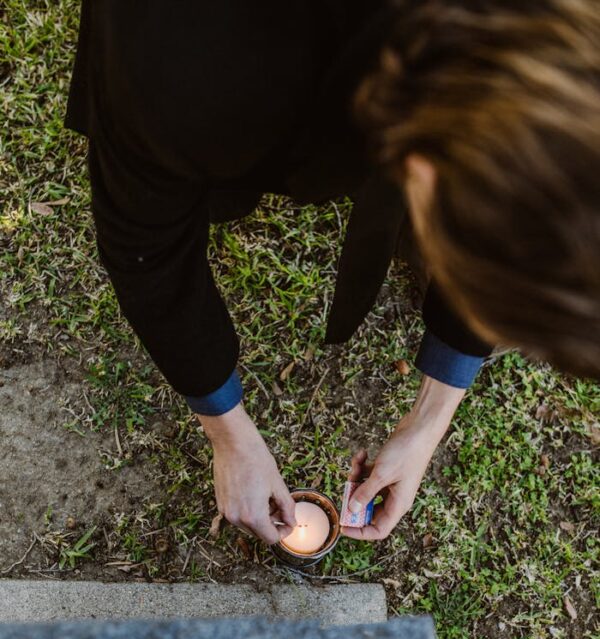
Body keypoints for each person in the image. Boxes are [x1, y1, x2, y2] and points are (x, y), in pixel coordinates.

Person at [64, 0, 600, 546]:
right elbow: (148, 251)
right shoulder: (182, 70)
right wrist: (228, 433)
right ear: (422, 174)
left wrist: (427, 424)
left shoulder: (561, 70)